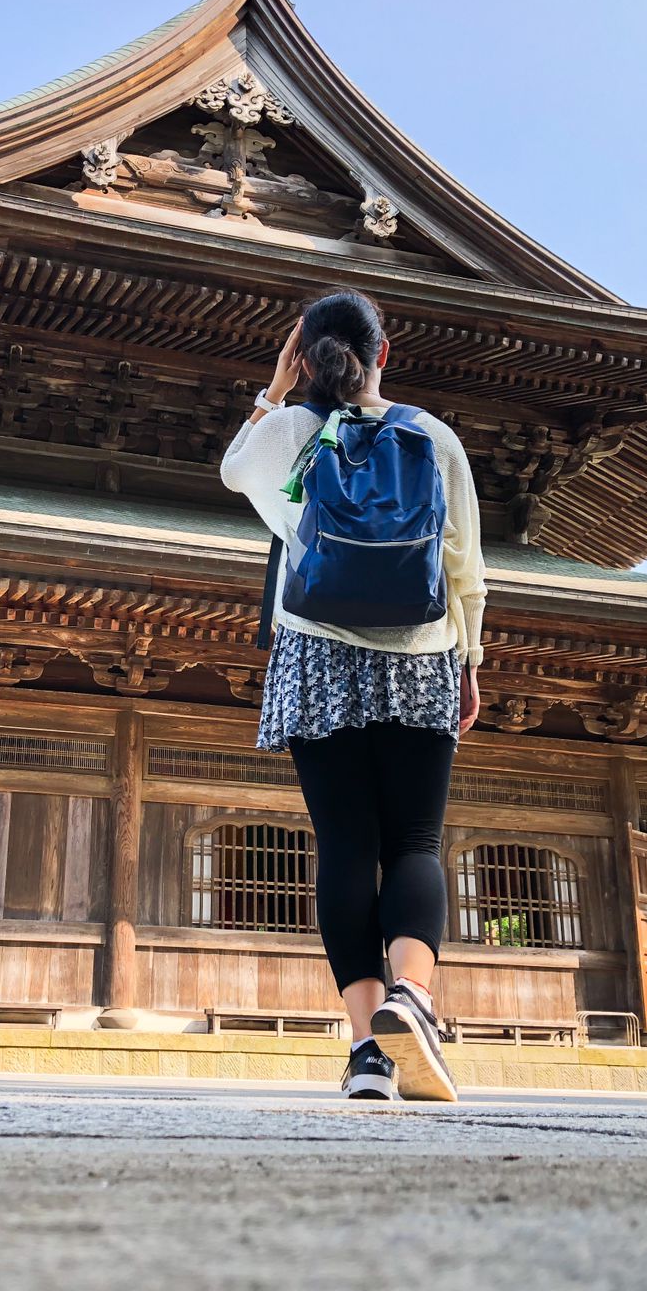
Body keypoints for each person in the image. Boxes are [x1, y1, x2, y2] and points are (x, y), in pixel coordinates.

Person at [220, 291, 486, 1103]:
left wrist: (274, 391)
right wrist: (470, 660)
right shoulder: (432, 436)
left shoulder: (290, 435)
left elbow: (233, 469)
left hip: (315, 655)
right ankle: (415, 998)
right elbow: (466, 565)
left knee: (343, 847)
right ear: (383, 353)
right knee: (414, 842)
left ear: (303, 357)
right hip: (422, 654)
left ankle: (369, 1050)